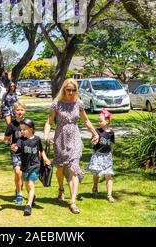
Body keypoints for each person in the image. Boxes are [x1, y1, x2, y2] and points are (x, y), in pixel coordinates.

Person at [43, 78, 99, 214]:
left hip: (75, 138)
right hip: (60, 138)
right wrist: (46, 137)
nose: (71, 92)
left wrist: (95, 133)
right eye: (68, 90)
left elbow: (86, 120)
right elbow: (49, 121)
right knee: (60, 169)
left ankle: (72, 201)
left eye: (74, 90)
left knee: (74, 167)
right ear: (64, 89)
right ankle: (61, 188)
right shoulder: (56, 104)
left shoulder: (78, 103)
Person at [0, 101, 26, 205]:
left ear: (24, 111)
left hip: (26, 153)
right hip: (15, 152)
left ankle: (19, 187)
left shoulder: (28, 123)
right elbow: (6, 138)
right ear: (14, 111)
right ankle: (19, 194)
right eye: (18, 110)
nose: (20, 112)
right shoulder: (11, 125)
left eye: (22, 109)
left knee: (22, 175)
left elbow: (33, 138)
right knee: (18, 172)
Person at [11, 118, 50, 216]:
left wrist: (45, 159)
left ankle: (28, 206)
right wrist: (14, 147)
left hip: (35, 165)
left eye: (24, 129)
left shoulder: (37, 139)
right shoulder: (21, 140)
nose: (22, 131)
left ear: (31, 129)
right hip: (25, 166)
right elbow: (17, 148)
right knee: (27, 184)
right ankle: (32, 198)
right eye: (21, 129)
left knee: (31, 184)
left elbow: (41, 150)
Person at [86, 108, 115, 202]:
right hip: (97, 156)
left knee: (108, 175)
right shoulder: (97, 131)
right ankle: (95, 187)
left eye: (101, 121)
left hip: (107, 156)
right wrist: (93, 142)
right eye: (98, 121)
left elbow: (112, 144)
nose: (99, 123)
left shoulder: (111, 133)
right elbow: (93, 141)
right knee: (96, 174)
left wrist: (111, 153)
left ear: (107, 121)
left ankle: (109, 195)